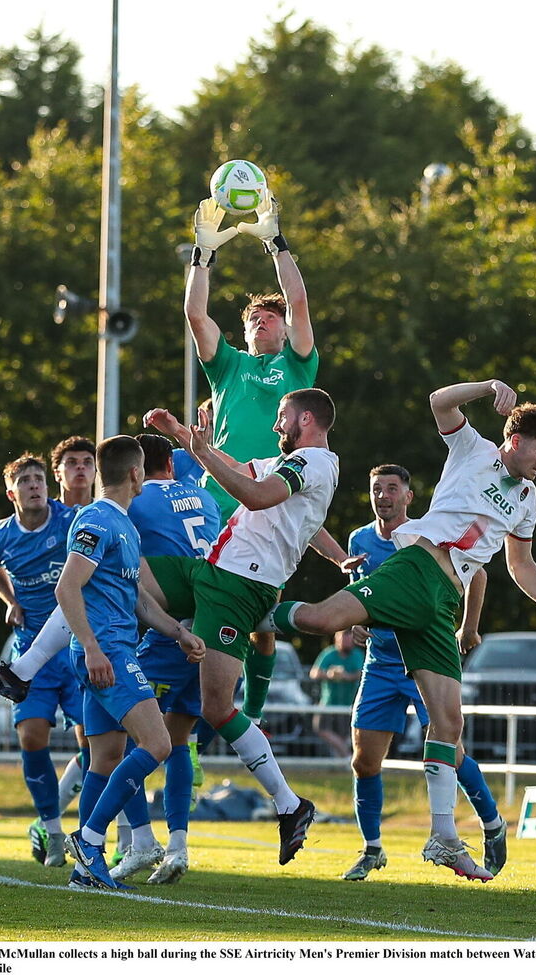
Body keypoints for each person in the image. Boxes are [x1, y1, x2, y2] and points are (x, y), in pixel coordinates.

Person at [263, 379, 536, 882]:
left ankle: (443, 838)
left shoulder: (527, 499)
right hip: (417, 570)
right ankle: (257, 610)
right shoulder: (473, 448)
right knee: (323, 621)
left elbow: (519, 565)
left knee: (449, 726)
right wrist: (490, 387)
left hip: (443, 601)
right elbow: (437, 401)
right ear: (516, 440)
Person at [143, 387, 338, 865]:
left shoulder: (311, 463)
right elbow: (247, 473)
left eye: (281, 417)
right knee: (119, 571)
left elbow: (253, 494)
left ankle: (289, 804)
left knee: (215, 707)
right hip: (215, 572)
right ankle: (32, 668)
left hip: (240, 587)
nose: (276, 426)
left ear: (306, 419)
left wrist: (201, 451)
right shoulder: (299, 463)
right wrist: (183, 436)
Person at [187, 192, 318, 724]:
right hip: (216, 500)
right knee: (198, 614)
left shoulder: (298, 368)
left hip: (270, 504)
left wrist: (274, 243)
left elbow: (301, 302)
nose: (263, 322)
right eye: (254, 319)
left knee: (259, 622)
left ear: (285, 329)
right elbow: (196, 313)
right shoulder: (229, 367)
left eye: (271, 317)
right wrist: (202, 254)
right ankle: (191, 724)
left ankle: (252, 711)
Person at [341, 464, 507, 882]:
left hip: (424, 659)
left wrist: (468, 627)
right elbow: (365, 595)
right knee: (364, 761)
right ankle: (372, 849)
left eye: (392, 488)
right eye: (376, 488)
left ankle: (492, 823)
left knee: (453, 748)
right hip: (379, 664)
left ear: (409, 497)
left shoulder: (424, 534)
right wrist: (356, 623)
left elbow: (479, 573)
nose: (383, 496)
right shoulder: (358, 539)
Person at [55, 436, 206, 891]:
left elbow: (138, 598)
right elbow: (67, 588)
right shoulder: (98, 519)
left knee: (103, 759)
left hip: (108, 650)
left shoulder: (124, 524)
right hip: (108, 654)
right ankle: (90, 839)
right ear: (137, 474)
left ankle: (86, 871)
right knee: (158, 743)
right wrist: (94, 647)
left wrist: (178, 631)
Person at [0, 451, 88, 869]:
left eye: (39, 479)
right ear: (11, 492)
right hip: (29, 653)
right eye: (26, 481)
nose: (35, 485)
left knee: (96, 744)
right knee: (32, 737)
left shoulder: (69, 521)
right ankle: (53, 832)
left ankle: (90, 834)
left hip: (73, 650)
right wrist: (9, 599)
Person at [109, 433, 221, 885]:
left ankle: (140, 842)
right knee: (177, 742)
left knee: (120, 739)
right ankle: (178, 845)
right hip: (211, 627)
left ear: (136, 469)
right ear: (171, 466)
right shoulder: (205, 496)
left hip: (169, 632)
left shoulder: (132, 505)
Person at [309, 631, 364, 758]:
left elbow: (361, 674)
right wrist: (328, 674)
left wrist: (346, 676)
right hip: (328, 702)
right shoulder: (329, 653)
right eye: (343, 639)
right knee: (320, 728)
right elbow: (314, 673)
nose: (347, 642)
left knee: (346, 734)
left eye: (349, 639)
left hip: (349, 703)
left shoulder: (357, 655)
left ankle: (343, 759)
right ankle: (347, 756)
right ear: (336, 640)